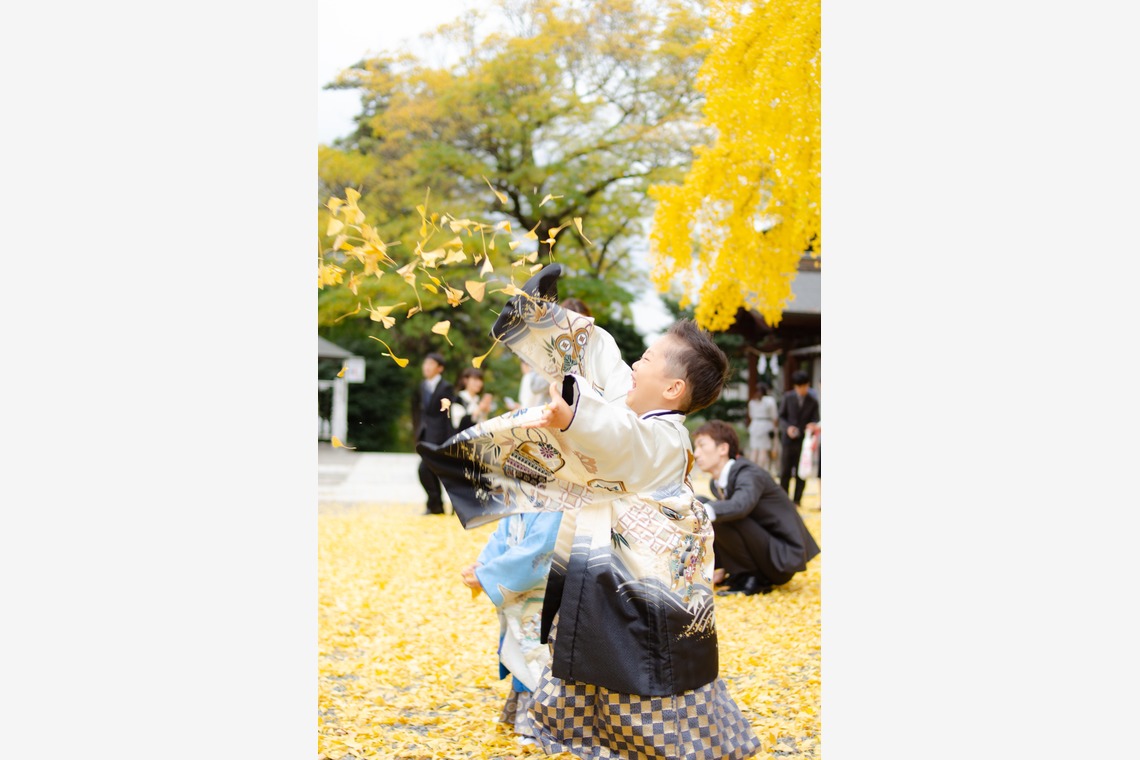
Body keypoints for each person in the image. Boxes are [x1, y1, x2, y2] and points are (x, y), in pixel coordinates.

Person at [418, 264, 760, 759]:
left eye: (649, 358)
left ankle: (653, 746)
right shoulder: (641, 410)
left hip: (646, 588)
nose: (637, 366)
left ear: (673, 390)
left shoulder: (664, 436)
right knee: (590, 654)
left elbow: (619, 438)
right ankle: (592, 734)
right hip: (609, 571)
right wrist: (541, 318)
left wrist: (575, 418)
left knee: (637, 668)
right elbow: (605, 363)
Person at [460, 511, 563, 745]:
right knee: (524, 648)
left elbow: (542, 546)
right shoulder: (522, 494)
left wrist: (489, 574)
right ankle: (528, 719)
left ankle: (545, 725)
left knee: (542, 652)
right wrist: (484, 564)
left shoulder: (558, 498)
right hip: (525, 592)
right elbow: (503, 534)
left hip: (546, 588)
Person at [691, 420, 821, 596]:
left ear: (723, 449)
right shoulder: (717, 483)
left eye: (701, 446)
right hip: (765, 549)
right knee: (703, 504)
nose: (696, 453)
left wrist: (699, 512)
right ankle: (739, 573)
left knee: (711, 510)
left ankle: (753, 578)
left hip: (781, 557)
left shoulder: (748, 473)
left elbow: (741, 506)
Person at [411, 351, 455, 515]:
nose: (426, 367)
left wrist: (449, 438)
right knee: (426, 470)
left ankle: (439, 504)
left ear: (440, 368)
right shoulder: (423, 385)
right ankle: (435, 505)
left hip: (441, 436)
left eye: (431, 364)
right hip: (426, 434)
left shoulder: (446, 387)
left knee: (427, 469)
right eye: (425, 363)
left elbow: (448, 415)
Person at [777, 369, 820, 507]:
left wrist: (812, 425)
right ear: (796, 386)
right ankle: (784, 500)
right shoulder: (788, 398)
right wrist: (788, 428)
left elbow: (816, 419)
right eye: (801, 387)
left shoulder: (812, 401)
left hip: (804, 441)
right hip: (788, 440)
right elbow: (781, 417)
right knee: (785, 471)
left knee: (802, 471)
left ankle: (797, 500)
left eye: (806, 386)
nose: (804, 389)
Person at [746, 383, 779, 472]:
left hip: (754, 425)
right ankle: (760, 470)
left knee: (754, 450)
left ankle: (751, 470)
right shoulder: (770, 400)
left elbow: (751, 415)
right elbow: (774, 416)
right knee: (763, 451)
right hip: (766, 425)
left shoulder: (752, 401)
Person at [451, 367, 495, 432]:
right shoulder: (458, 399)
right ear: (465, 380)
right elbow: (458, 424)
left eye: (480, 380)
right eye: (475, 379)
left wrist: (485, 412)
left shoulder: (478, 400)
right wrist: (479, 409)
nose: (479, 383)